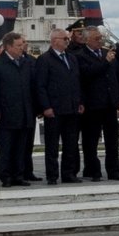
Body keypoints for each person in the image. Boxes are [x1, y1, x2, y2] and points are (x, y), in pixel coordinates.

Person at [70, 23, 119, 182]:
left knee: (112, 141)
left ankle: (114, 171)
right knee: (91, 141)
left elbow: (117, 78)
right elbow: (87, 75)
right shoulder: (80, 56)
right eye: (96, 38)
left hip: (109, 104)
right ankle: (93, 170)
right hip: (92, 105)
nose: (100, 41)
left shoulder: (109, 54)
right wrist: (105, 62)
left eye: (101, 38)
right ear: (87, 40)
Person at [0, 33, 38, 188]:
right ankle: (6, 176)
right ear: (8, 46)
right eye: (18, 46)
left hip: (25, 112)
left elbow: (32, 87)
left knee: (21, 147)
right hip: (6, 113)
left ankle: (18, 175)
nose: (22, 48)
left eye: (22, 45)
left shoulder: (26, 63)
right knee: (7, 148)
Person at [32, 27, 83, 185]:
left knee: (71, 144)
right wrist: (45, 107)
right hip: (54, 109)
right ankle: (52, 175)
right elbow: (40, 85)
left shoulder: (72, 58)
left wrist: (80, 102)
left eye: (68, 39)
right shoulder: (45, 59)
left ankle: (68, 173)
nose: (68, 41)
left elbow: (76, 82)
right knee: (52, 145)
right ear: (54, 41)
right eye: (65, 39)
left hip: (71, 108)